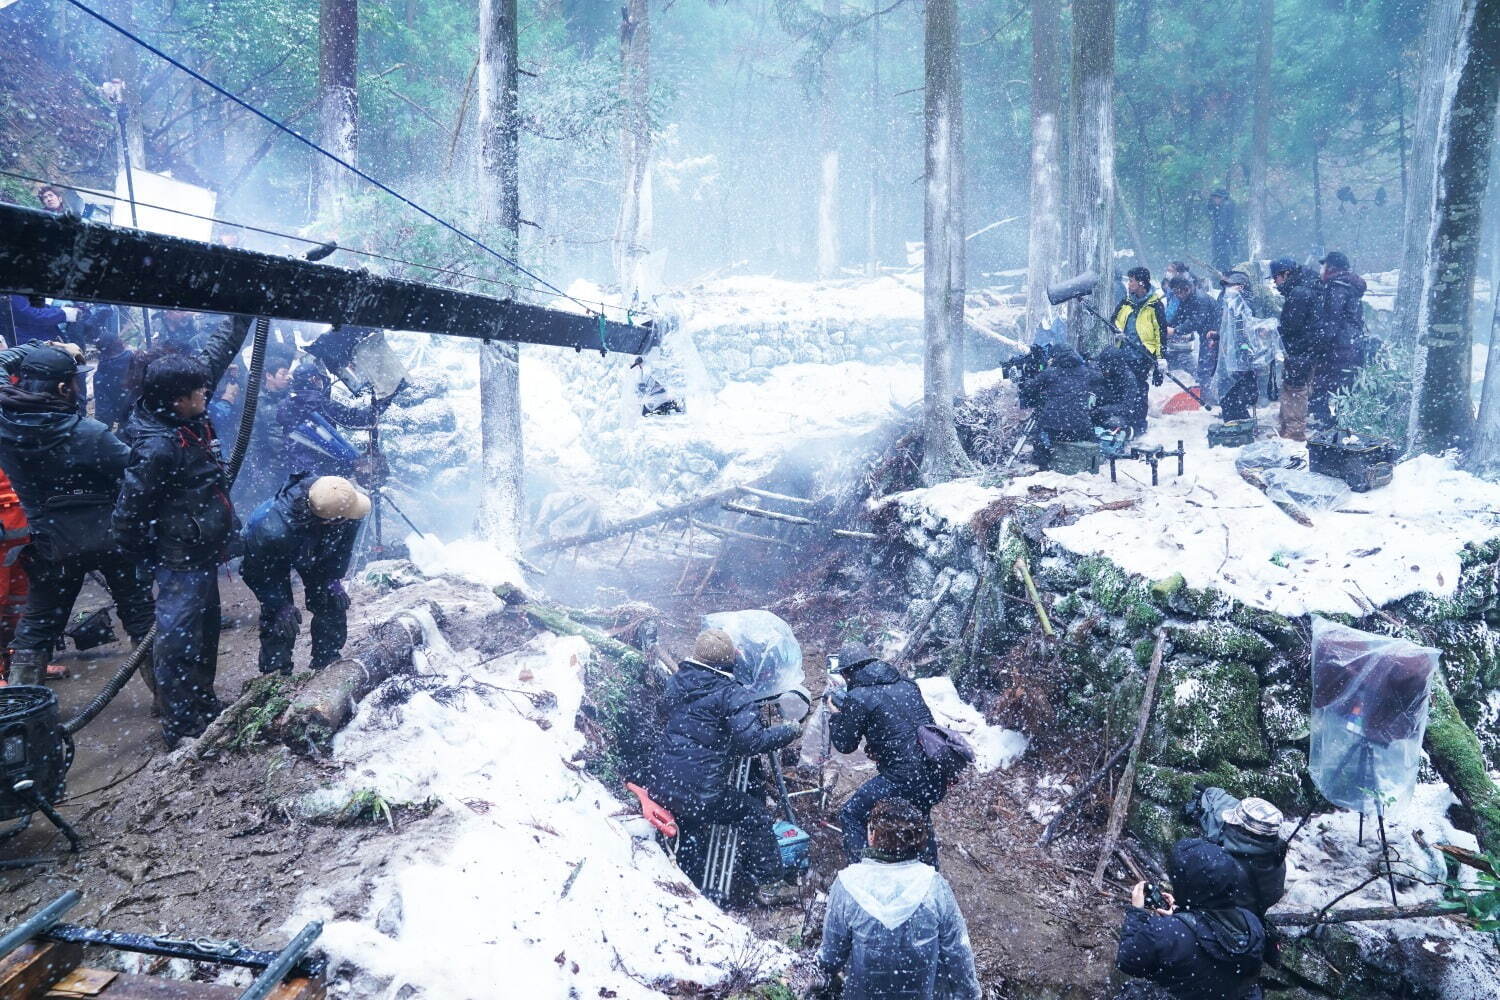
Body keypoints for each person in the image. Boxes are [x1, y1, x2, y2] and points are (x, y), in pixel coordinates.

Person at [113, 316, 252, 748]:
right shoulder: (158, 447)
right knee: (178, 638)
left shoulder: (182, 400)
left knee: (206, 627)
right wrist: (153, 551)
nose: (206, 394)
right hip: (180, 556)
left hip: (200, 547)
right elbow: (127, 513)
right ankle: (180, 722)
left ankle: (203, 702)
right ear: (177, 401)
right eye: (199, 392)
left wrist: (244, 313)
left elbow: (217, 351)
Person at [0, 343, 155, 685]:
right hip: (110, 539)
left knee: (37, 627)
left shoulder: (7, 428)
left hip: (51, 545)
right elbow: (139, 470)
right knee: (141, 615)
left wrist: (38, 351)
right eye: (74, 381)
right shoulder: (90, 434)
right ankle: (170, 700)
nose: (78, 387)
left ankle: (22, 715)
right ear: (62, 388)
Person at [649, 628, 802, 902]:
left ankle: (687, 887)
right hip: (700, 792)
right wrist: (789, 730)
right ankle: (771, 885)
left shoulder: (677, 681)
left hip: (663, 783)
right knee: (753, 813)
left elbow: (667, 712)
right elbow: (751, 742)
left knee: (690, 824)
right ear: (729, 660)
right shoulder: (731, 693)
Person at [814, 798, 981, 1000]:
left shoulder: (847, 884)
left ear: (873, 836)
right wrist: (969, 994)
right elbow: (958, 954)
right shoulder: (935, 887)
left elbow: (831, 957)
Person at [830, 642, 946, 867]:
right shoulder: (906, 683)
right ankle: (930, 875)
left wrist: (836, 715)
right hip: (935, 773)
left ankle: (862, 875)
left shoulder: (859, 696)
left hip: (903, 778)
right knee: (918, 815)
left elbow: (845, 745)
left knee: (852, 815)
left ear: (846, 673)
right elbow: (905, 725)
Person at [241, 473, 369, 676]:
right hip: (274, 556)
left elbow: (343, 548)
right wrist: (278, 604)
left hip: (315, 547)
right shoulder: (268, 529)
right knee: (281, 618)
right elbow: (255, 573)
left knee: (329, 599)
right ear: (331, 520)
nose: (353, 518)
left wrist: (333, 578)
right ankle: (276, 673)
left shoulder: (345, 504)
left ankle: (327, 658)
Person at [1116, 838, 1266, 1000]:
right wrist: (1184, 915)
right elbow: (1212, 931)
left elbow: (1127, 960)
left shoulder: (1166, 932)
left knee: (1134, 992)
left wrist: (1137, 912)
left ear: (1186, 884)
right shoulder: (1252, 922)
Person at [1184, 788, 1287, 918]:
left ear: (1243, 831)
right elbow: (1274, 896)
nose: (1228, 824)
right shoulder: (1275, 852)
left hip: (1228, 919)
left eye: (1233, 822)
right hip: (1252, 917)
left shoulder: (1226, 867)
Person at [1269, 257, 1323, 441]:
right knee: (1292, 387)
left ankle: (1295, 430)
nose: (1275, 283)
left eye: (1275, 278)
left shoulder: (1299, 293)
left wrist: (1274, 330)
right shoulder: (1305, 286)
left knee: (1295, 389)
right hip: (1307, 346)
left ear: (1285, 274)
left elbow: (1292, 324)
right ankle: (1286, 426)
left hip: (1300, 347)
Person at [1312, 251, 1368, 430]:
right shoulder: (1350, 286)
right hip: (1352, 344)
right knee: (1346, 386)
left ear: (1331, 267)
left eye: (1323, 265)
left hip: (1338, 347)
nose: (1321, 269)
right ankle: (1344, 423)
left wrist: (1319, 342)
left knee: (1324, 385)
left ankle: (1331, 426)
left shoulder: (1336, 288)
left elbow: (1331, 320)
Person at [1109, 267, 1167, 435]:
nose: (1129, 284)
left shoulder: (1154, 305)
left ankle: (1139, 424)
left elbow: (1160, 333)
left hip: (1142, 356)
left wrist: (1160, 358)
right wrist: (1116, 331)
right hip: (1123, 353)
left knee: (1138, 390)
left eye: (1131, 281)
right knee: (1122, 389)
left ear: (1141, 283)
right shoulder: (1126, 302)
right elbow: (1114, 320)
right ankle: (1124, 423)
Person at [1018, 347, 1095, 470]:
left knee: (1040, 431)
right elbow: (1099, 378)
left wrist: (1025, 380)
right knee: (1089, 427)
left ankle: (1043, 462)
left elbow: (1029, 388)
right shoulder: (1085, 372)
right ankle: (1094, 458)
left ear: (1056, 357)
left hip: (1055, 431)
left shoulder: (1050, 372)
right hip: (1079, 430)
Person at [1213, 272, 1264, 422]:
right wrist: (1217, 336)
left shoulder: (1244, 305)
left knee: (1237, 392)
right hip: (1228, 355)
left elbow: (1245, 332)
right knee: (1228, 393)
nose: (1226, 289)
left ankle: (1240, 427)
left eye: (1230, 286)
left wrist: (1242, 349)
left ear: (1241, 287)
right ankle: (1234, 424)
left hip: (1241, 356)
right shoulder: (1227, 301)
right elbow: (1227, 330)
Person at [1164, 276, 1218, 379]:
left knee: (1206, 369)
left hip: (1213, 335)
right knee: (1204, 367)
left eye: (1177, 292)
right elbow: (1180, 316)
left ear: (1186, 289)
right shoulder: (1186, 298)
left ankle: (1206, 390)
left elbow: (1196, 321)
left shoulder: (1201, 299)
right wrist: (1166, 326)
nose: (1176, 295)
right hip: (1204, 334)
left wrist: (1175, 330)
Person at [92, 329, 136, 429]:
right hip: (146, 419)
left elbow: (103, 411)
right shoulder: (137, 360)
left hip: (125, 422)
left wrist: (102, 435)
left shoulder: (100, 375)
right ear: (118, 344)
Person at [3, 296, 79, 347]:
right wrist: (63, 313)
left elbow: (37, 306)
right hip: (30, 345)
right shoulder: (13, 290)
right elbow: (28, 315)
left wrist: (60, 309)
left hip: (41, 343)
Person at [1208, 189, 1238, 274]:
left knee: (1222, 259)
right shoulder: (1226, 205)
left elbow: (1222, 224)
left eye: (1216, 198)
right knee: (1223, 258)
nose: (1214, 200)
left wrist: (1221, 236)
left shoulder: (1225, 206)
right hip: (1225, 238)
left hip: (1223, 239)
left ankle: (1223, 272)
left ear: (1221, 198)